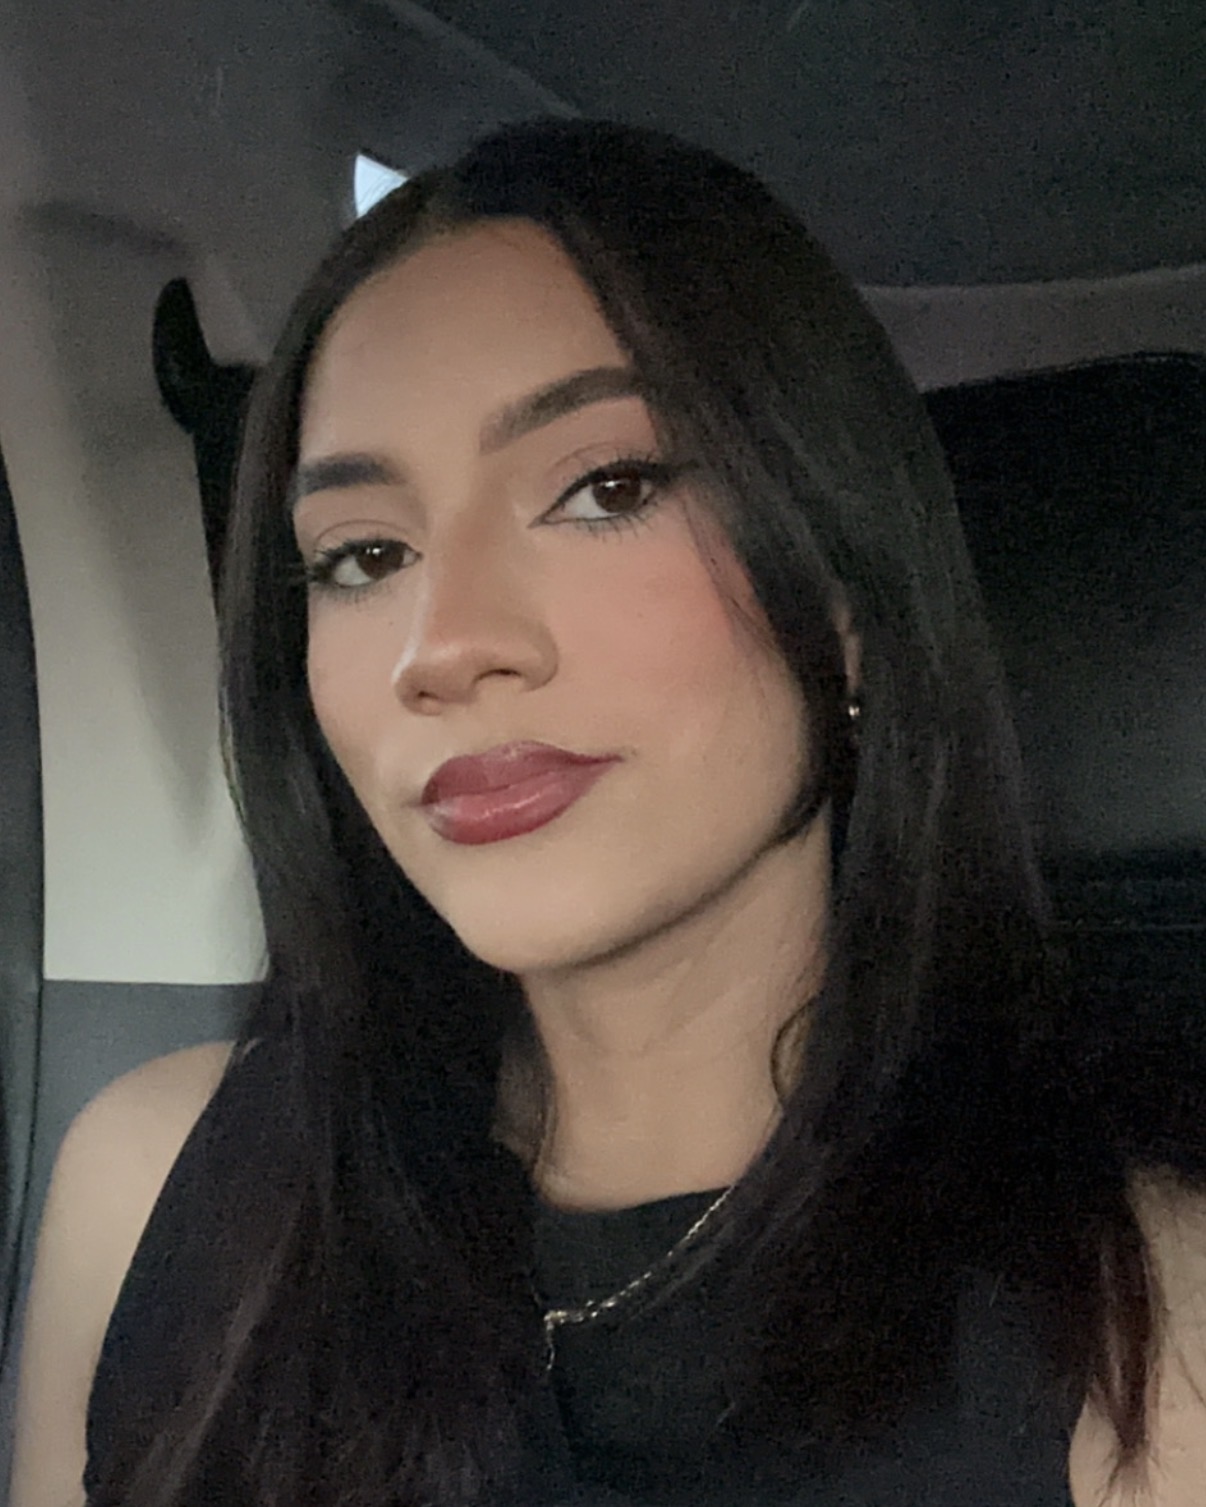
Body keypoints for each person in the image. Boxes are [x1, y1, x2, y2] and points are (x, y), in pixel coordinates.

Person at [11, 118, 1206, 1507]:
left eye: (605, 489)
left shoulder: (1148, 1339)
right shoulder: (155, 1180)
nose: (442, 647)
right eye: (364, 555)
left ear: (849, 599)